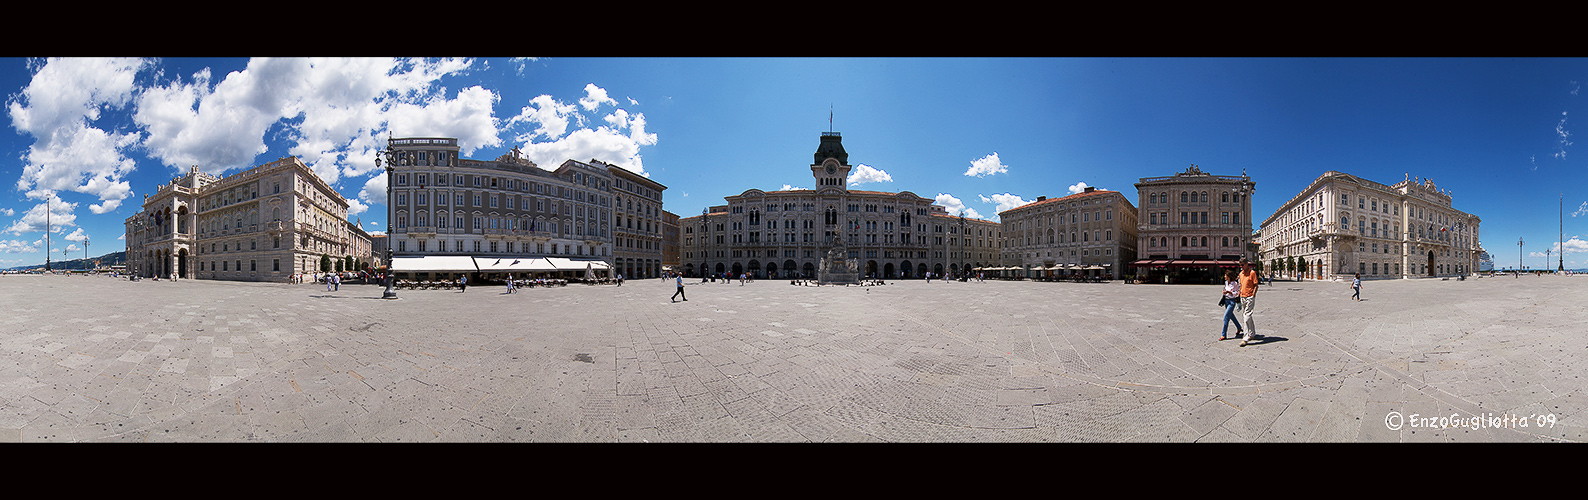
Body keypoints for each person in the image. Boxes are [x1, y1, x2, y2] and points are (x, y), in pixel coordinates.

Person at [1238, 259, 1262, 346]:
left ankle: (1245, 337)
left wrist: (1253, 295)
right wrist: (1239, 295)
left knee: (1246, 316)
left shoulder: (1252, 273)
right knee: (1247, 315)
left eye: (1242, 265)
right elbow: (1240, 285)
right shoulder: (1241, 274)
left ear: (1246, 264)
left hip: (1249, 296)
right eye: (1240, 265)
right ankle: (1252, 333)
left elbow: (1256, 285)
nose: (1241, 267)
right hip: (1242, 296)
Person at [1220, 269, 1244, 341]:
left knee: (1226, 317)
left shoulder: (1235, 284)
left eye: (1225, 275)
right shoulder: (1226, 282)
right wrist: (1225, 292)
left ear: (1229, 276)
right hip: (1226, 301)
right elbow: (1226, 290)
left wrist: (1229, 292)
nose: (1224, 276)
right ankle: (1239, 327)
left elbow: (1236, 293)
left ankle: (1223, 334)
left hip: (1232, 301)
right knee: (1231, 316)